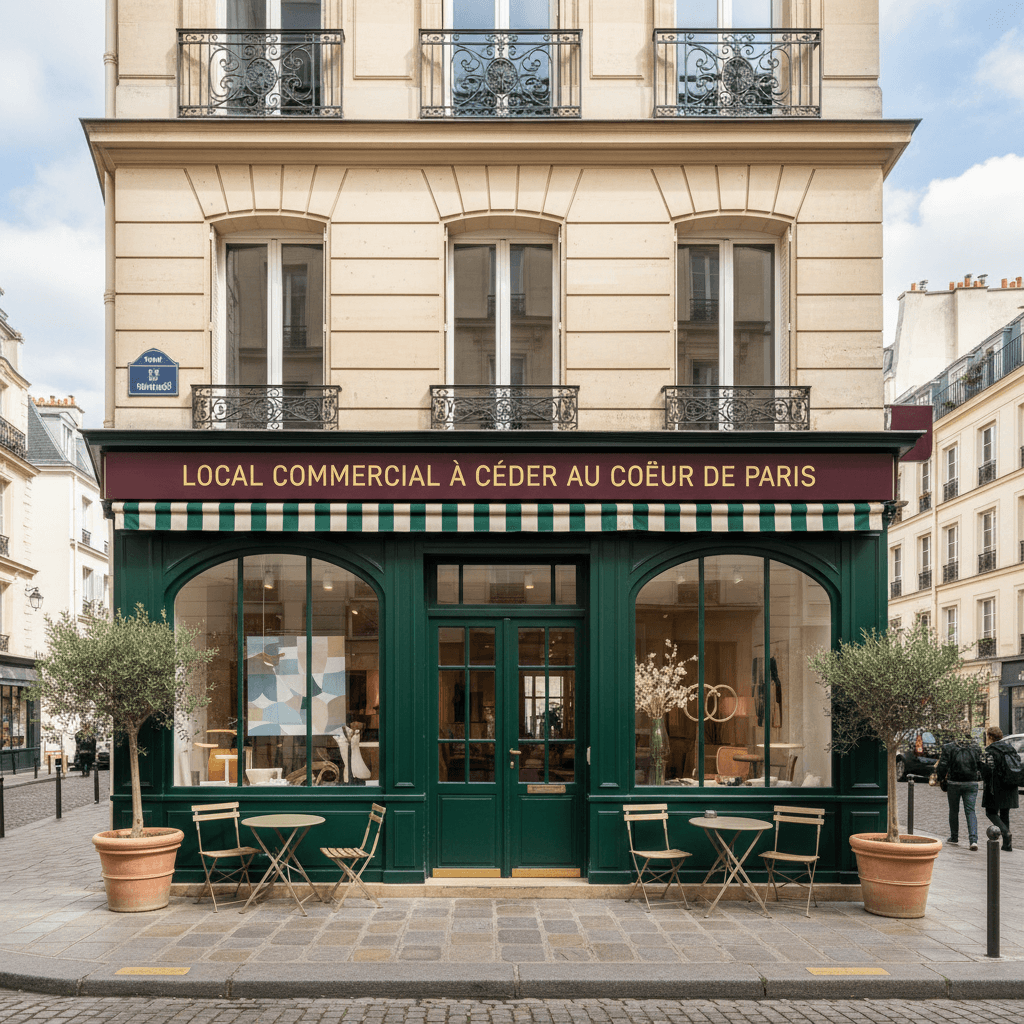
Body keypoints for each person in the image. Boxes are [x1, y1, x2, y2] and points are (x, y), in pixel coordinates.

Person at [935, 723, 983, 850]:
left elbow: (943, 765)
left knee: (954, 810)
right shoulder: (976, 747)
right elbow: (981, 765)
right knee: (970, 811)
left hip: (954, 782)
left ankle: (954, 837)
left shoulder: (949, 747)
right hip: (971, 782)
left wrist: (940, 779)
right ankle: (973, 840)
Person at [980, 725, 1018, 852]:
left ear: (990, 737)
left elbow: (986, 771)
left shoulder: (990, 750)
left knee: (990, 812)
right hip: (1010, 785)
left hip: (995, 787)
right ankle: (1007, 845)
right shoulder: (1010, 748)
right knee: (1005, 814)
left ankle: (1005, 832)